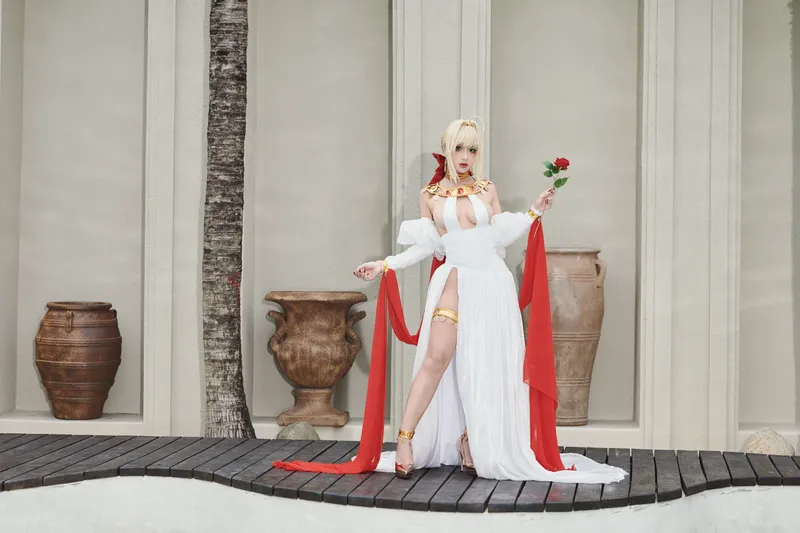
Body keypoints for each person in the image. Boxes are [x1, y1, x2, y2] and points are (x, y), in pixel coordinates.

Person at [273, 119, 626, 484]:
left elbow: (501, 233)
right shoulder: (430, 195)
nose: (466, 156)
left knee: (488, 365)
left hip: (492, 284)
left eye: (472, 149)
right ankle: (406, 439)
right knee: (436, 358)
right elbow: (425, 247)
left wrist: (535, 210)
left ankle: (470, 441)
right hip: (455, 280)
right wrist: (384, 264)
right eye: (459, 148)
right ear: (447, 149)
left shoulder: (487, 189)